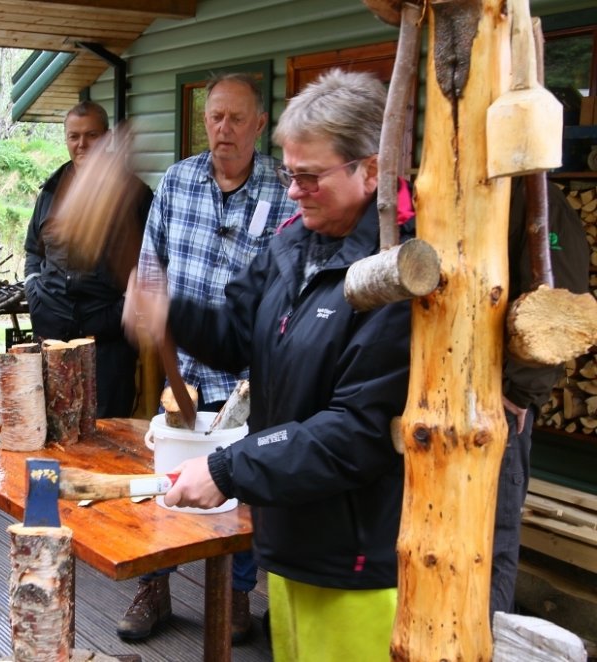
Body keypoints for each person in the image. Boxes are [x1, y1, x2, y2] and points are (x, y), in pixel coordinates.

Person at [124, 69, 412, 661]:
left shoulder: (400, 273)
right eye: (288, 173)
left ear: (373, 169)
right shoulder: (294, 243)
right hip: (291, 536)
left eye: (310, 176)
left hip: (359, 556)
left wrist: (229, 469)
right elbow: (235, 333)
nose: (292, 190)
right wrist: (168, 309)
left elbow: (356, 431)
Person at [120, 72, 298, 644]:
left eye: (237, 118)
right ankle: (156, 587)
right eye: (215, 117)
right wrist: (144, 301)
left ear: (260, 124)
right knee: (166, 478)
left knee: (237, 488)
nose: (223, 129)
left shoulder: (279, 189)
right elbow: (152, 264)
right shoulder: (177, 182)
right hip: (184, 376)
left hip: (247, 379)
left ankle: (235, 593)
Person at [491, 177, 589, 617]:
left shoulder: (537, 198)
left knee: (491, 540)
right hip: (440, 396)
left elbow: (555, 310)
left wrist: (518, 394)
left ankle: (483, 637)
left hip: (498, 405)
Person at [23, 100, 153, 417]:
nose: (82, 144)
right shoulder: (51, 192)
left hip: (107, 341)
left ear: (106, 137)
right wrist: (33, 292)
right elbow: (32, 250)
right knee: (53, 424)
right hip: (53, 333)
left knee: (108, 431)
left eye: (91, 135)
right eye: (74, 136)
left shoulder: (135, 195)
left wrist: (124, 311)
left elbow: (153, 261)